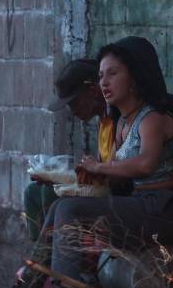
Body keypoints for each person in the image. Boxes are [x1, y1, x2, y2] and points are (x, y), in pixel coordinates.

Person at [25, 37, 173, 288]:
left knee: (69, 209)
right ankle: (33, 280)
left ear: (135, 78)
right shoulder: (122, 123)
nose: (104, 83)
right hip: (139, 205)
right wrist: (75, 179)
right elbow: (117, 178)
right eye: (101, 75)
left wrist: (99, 167)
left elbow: (145, 165)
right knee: (57, 206)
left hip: (162, 209)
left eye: (113, 74)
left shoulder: (153, 118)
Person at [24, 59, 115, 241]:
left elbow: (111, 176)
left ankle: (48, 258)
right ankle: (40, 253)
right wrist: (55, 177)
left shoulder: (117, 120)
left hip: (115, 196)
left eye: (74, 103)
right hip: (100, 187)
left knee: (51, 193)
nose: (72, 111)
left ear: (93, 91)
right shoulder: (102, 121)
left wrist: (75, 178)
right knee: (32, 192)